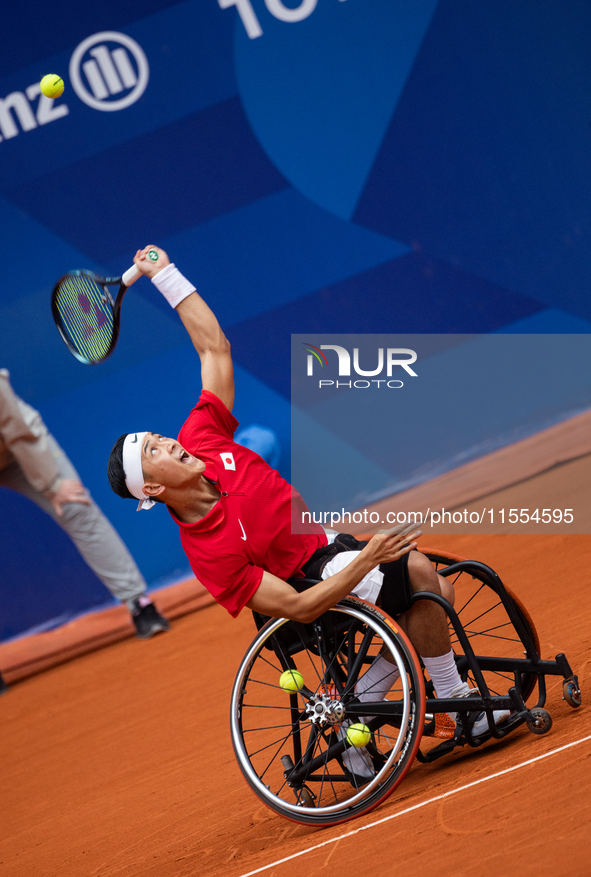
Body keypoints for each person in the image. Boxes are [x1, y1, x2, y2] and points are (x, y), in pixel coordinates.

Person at [107, 245, 509, 780]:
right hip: (304, 584)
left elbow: (215, 349)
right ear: (153, 489)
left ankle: (359, 718)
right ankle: (462, 705)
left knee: (435, 592)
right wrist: (367, 561)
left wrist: (167, 276)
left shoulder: (201, 435)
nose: (168, 442)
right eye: (155, 449)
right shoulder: (208, 552)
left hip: (326, 545)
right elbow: (295, 607)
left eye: (159, 436)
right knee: (419, 576)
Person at [0, 369, 170, 661]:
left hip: (18, 440)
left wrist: (52, 484)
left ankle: (138, 603)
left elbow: (16, 427)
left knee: (75, 505)